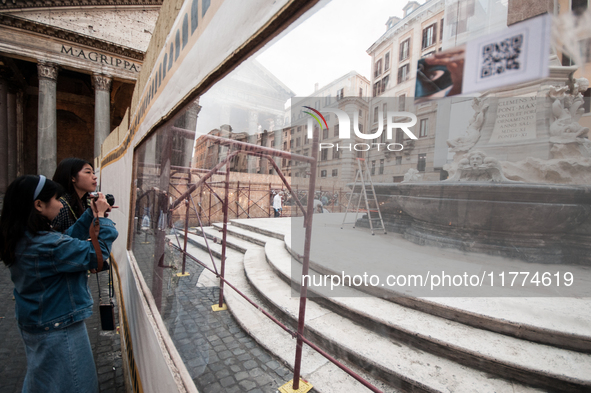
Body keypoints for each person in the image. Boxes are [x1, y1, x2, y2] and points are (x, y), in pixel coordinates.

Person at [0, 175, 118, 393]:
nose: (60, 204)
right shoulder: (47, 244)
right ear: (39, 205)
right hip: (59, 328)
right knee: (78, 385)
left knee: (43, 381)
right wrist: (103, 218)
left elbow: (66, 242)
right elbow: (96, 255)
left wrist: (88, 216)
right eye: (56, 199)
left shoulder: (26, 237)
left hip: (39, 321)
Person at [52, 158, 98, 232]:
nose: (95, 177)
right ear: (73, 178)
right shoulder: (60, 205)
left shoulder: (85, 202)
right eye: (88, 172)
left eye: (93, 173)